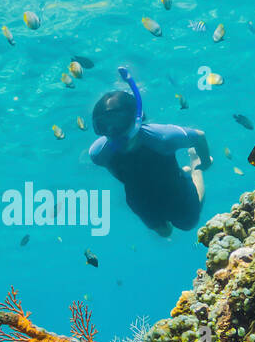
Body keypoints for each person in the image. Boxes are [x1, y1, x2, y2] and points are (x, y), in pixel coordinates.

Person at [89, 67, 211, 237]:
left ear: (137, 118)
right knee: (165, 233)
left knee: (188, 224)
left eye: (120, 122)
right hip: (139, 199)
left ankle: (194, 165)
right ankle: (183, 174)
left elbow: (199, 136)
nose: (113, 130)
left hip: (173, 191)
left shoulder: (162, 138)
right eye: (104, 126)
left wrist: (204, 162)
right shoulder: (99, 153)